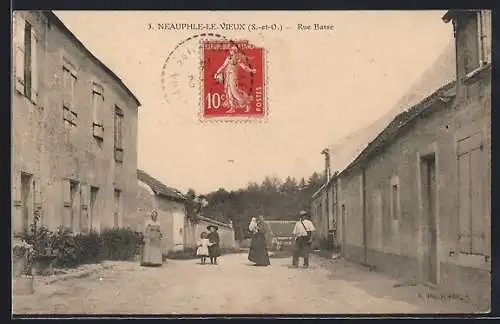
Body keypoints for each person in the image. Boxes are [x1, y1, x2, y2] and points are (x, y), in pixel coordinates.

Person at [214, 44, 257, 113]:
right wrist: (217, 73)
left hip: (233, 78)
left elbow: (244, 67)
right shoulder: (228, 58)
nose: (231, 51)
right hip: (228, 77)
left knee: (235, 93)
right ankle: (232, 108)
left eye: (233, 50)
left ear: (235, 51)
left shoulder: (237, 59)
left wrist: (251, 70)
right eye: (231, 50)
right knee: (229, 93)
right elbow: (223, 66)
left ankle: (247, 104)